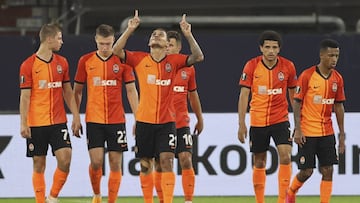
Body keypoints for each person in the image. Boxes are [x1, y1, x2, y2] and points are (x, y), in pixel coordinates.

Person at [112, 10, 204, 203]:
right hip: (144, 121)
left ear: (166, 45)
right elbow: (116, 51)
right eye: (154, 34)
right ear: (149, 43)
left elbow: (198, 56)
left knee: (167, 161)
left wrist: (188, 34)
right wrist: (129, 30)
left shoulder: (174, 62)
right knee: (145, 164)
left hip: (167, 122)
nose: (157, 36)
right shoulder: (139, 59)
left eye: (161, 35)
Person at [73, 24, 138, 203]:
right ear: (95, 40)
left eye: (108, 44)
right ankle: (97, 194)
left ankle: (111, 201)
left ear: (113, 41)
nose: (104, 48)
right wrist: (76, 117)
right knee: (96, 162)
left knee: (116, 163)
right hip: (93, 119)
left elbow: (131, 91)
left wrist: (138, 118)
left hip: (117, 120)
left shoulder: (122, 61)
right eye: (101, 43)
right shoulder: (85, 61)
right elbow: (77, 91)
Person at [19, 23, 82, 203]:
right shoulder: (28, 65)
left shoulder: (62, 63)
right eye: (59, 38)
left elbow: (68, 91)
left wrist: (76, 116)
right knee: (39, 164)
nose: (61, 41)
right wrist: (23, 123)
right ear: (49, 39)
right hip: (36, 122)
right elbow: (25, 97)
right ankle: (41, 200)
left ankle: (52, 197)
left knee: (65, 158)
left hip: (58, 122)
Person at [237, 30, 297, 203]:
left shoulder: (288, 66)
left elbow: (294, 97)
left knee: (285, 156)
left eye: (275, 47)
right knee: (260, 162)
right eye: (268, 47)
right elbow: (243, 96)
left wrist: (300, 123)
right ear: (261, 48)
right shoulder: (251, 65)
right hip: (258, 120)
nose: (271, 51)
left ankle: (282, 200)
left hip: (281, 119)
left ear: (279, 49)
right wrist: (241, 123)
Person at [285, 39, 346, 203]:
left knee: (328, 170)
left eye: (337, 56)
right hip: (307, 131)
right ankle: (290, 192)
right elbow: (297, 102)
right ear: (321, 55)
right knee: (307, 172)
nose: (334, 59)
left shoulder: (338, 79)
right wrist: (298, 128)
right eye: (330, 55)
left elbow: (339, 107)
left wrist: (341, 134)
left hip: (327, 131)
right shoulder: (307, 75)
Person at [153, 30, 204, 203]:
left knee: (186, 159)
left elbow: (193, 95)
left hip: (182, 122)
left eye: (171, 45)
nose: (167, 48)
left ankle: (188, 200)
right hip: (160, 123)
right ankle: (163, 200)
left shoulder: (188, 69)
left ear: (179, 48)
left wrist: (200, 118)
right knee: (161, 163)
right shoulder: (155, 65)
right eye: (166, 45)